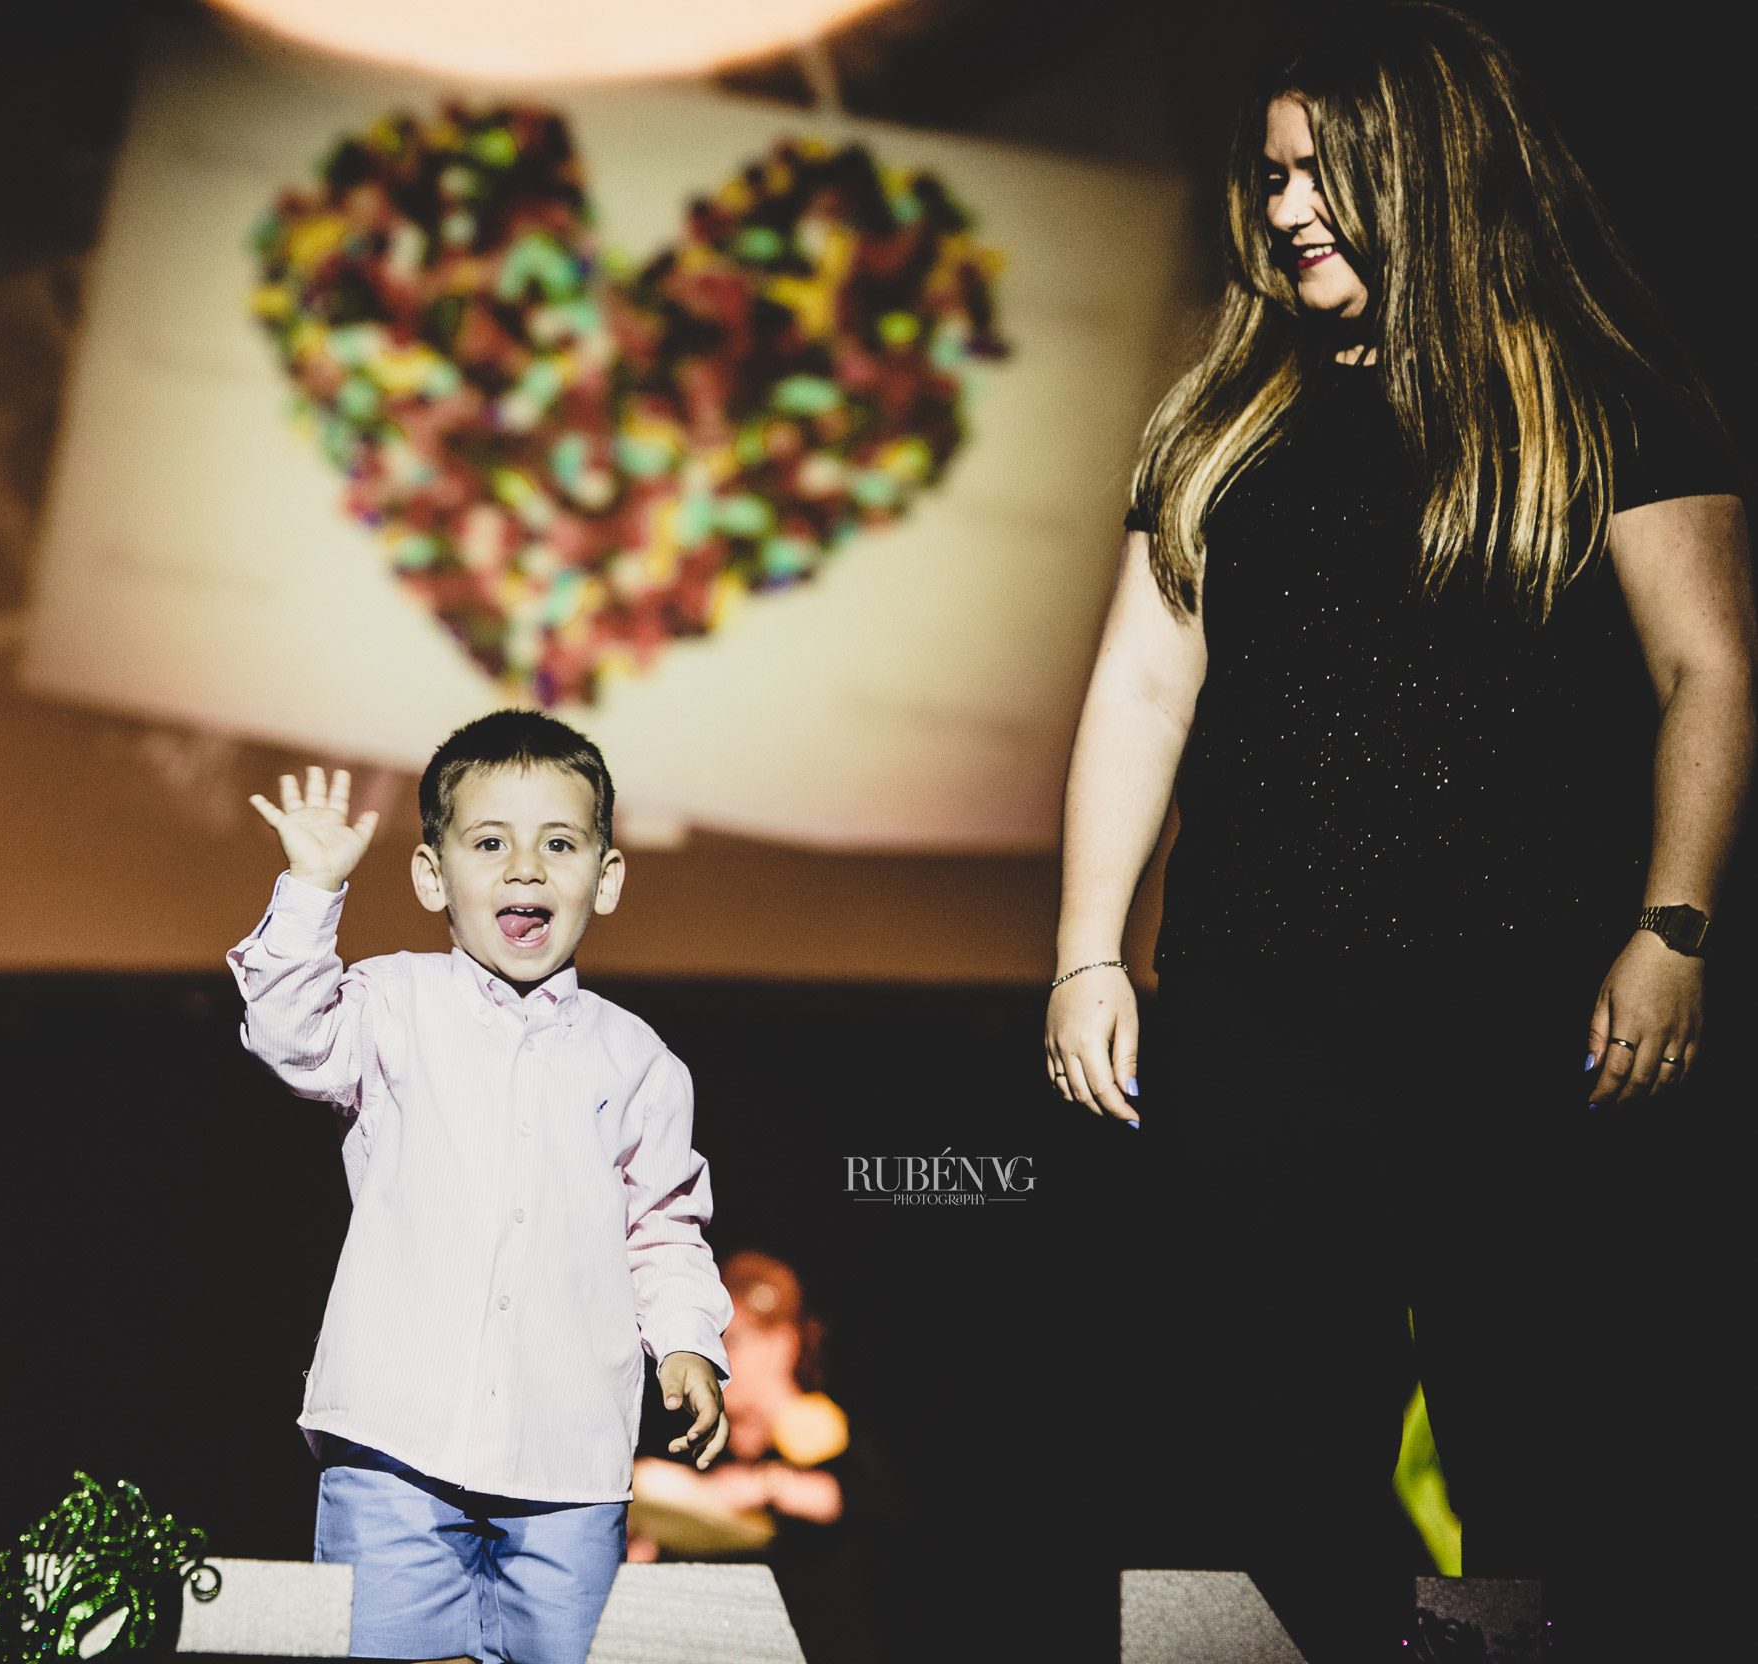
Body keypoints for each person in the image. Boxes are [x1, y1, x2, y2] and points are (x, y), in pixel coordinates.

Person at [1042, 6, 1750, 1660]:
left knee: (1543, 1439)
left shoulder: (1605, 400)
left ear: (1426, 168)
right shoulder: (1226, 421)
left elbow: (1709, 669)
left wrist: (1674, 925)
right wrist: (1086, 952)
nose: (1289, 206)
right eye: (1273, 174)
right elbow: (1138, 692)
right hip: (1258, 1007)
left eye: (1323, 172)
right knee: (1268, 1435)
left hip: (1526, 1011)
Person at [230, 711, 733, 1664]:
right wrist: (311, 889)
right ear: (432, 875)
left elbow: (664, 1226)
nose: (526, 870)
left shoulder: (639, 1061)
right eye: (491, 843)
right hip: (395, 1441)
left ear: (607, 877)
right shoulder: (393, 1002)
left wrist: (686, 1340)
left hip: (567, 1464)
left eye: (560, 845)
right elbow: (289, 1037)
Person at [627, 1251, 899, 1664]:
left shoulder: (832, 1437)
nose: (713, 1356)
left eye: (732, 1340)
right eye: (705, 1342)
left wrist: (764, 1486)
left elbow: (873, 1507)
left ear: (781, 1344)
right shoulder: (692, 1442)